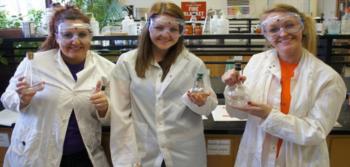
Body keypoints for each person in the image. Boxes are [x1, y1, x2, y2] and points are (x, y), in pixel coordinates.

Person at [221, 4, 347, 167]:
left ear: (302, 27)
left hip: (301, 161)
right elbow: (239, 113)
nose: (283, 33)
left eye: (289, 25)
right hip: (255, 159)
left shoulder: (327, 78)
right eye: (273, 29)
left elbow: (315, 132)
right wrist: (233, 88)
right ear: (266, 35)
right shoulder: (256, 62)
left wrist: (269, 115)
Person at [1, 5, 113, 167]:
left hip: (83, 157)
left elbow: (114, 116)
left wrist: (105, 107)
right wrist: (21, 99)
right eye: (67, 35)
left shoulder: (106, 69)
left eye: (82, 34)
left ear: (90, 37)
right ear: (57, 37)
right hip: (37, 154)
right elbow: (7, 98)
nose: (76, 41)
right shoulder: (34, 63)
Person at [109, 2, 218, 167]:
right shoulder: (128, 62)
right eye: (159, 27)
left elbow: (209, 107)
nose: (166, 34)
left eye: (173, 29)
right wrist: (125, 157)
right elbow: (120, 114)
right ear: (148, 27)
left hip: (184, 151)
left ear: (181, 32)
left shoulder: (194, 64)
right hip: (144, 150)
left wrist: (201, 102)